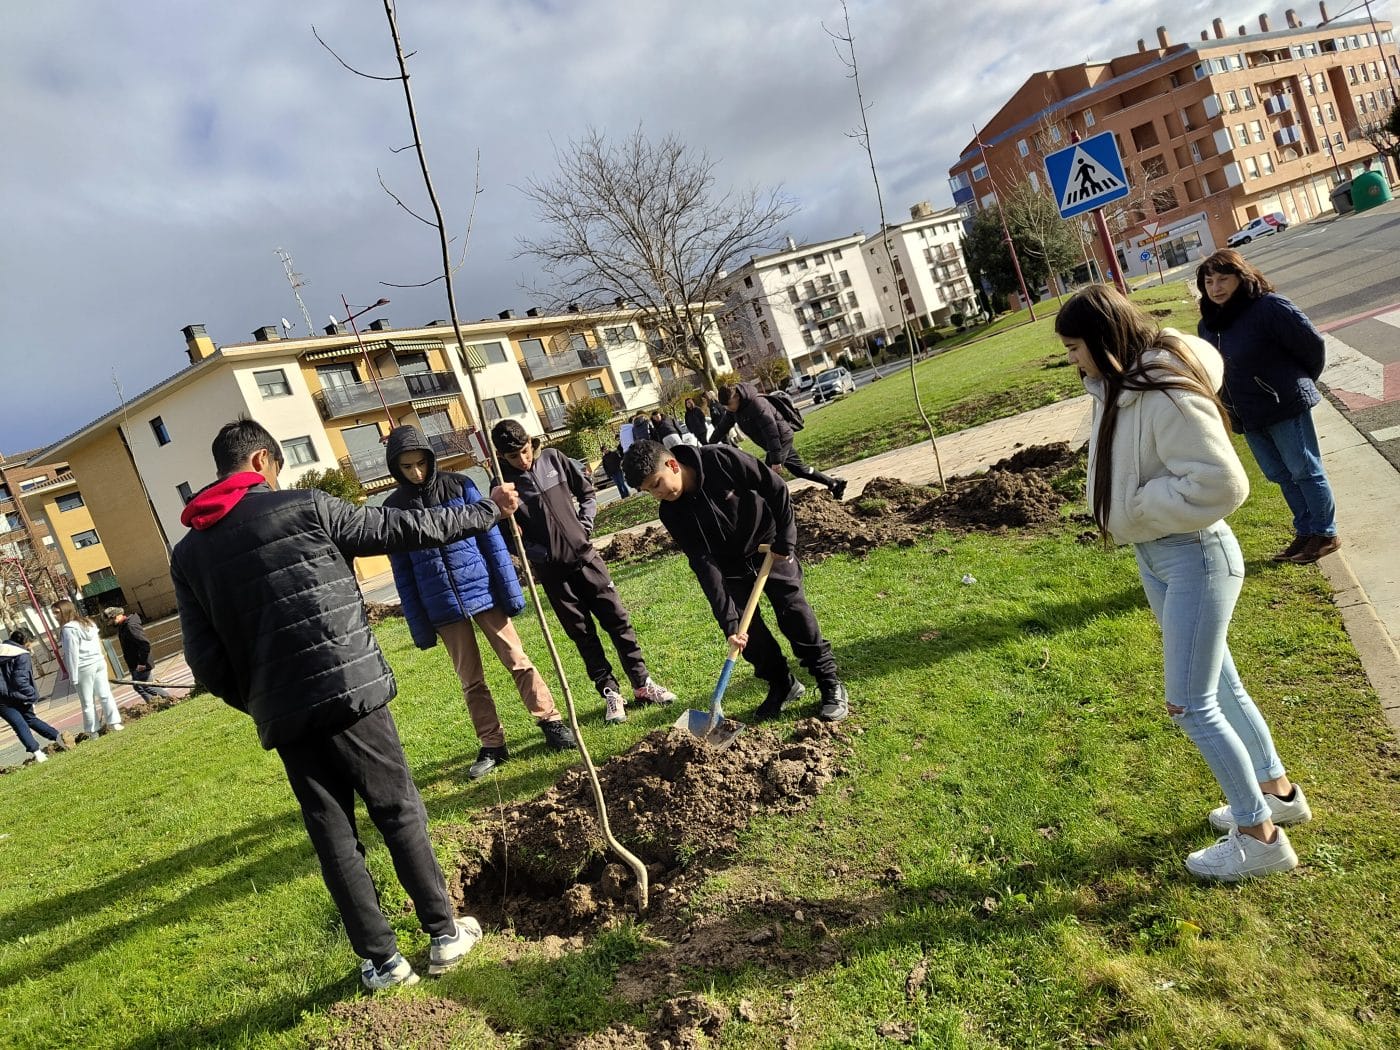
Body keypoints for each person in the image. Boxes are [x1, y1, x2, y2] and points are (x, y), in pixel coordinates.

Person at [171, 418, 518, 991]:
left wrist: (261, 699)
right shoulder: (307, 507)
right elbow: (408, 528)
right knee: (397, 809)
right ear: (262, 462)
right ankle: (443, 934)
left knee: (334, 836)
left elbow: (204, 662)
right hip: (353, 691)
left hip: (285, 713)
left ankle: (383, 962)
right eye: (276, 468)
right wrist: (485, 511)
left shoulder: (189, 554)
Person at [1056, 285, 1310, 882]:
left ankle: (1259, 836)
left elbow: (1223, 484)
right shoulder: (1119, 386)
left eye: (1073, 348)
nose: (1072, 360)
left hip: (1194, 554)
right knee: (1223, 688)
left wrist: (1137, 506)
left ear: (1101, 340)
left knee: (1189, 705)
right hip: (1161, 557)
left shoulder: (1161, 390)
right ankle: (1277, 795)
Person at [383, 426, 576, 781]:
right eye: (407, 467)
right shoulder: (393, 509)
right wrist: (419, 623)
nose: (416, 473)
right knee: (470, 680)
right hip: (440, 604)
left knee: (518, 660)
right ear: (396, 468)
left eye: (420, 463)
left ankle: (551, 722)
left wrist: (510, 591)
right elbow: (403, 572)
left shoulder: (460, 486)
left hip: (484, 591)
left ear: (430, 457)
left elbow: (491, 541)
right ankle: (492, 744)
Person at [621, 439, 850, 723]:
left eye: (656, 484)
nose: (657, 494)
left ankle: (829, 683)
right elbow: (703, 564)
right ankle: (782, 684)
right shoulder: (671, 512)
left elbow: (774, 487)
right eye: (648, 491)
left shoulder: (720, 460)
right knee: (747, 635)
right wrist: (728, 622)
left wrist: (785, 539)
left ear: (672, 465)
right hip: (730, 567)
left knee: (793, 613)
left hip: (770, 548)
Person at [490, 420, 677, 725]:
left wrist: (585, 525)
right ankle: (610, 693)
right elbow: (507, 534)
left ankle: (642, 684)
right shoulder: (503, 487)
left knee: (618, 621)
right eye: (513, 457)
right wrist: (541, 554)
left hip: (588, 560)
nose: (522, 460)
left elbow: (587, 492)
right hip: (554, 575)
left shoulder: (554, 459)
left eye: (524, 451)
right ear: (501, 458)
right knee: (583, 635)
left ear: (531, 443)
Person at [1196, 249, 1339, 564]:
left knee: (1304, 469)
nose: (1216, 287)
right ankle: (1305, 532)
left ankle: (1325, 533)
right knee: (1280, 474)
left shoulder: (1269, 307)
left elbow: (1312, 347)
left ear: (1240, 278)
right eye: (1209, 282)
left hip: (1284, 405)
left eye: (1223, 279)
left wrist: (1293, 385)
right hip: (1246, 414)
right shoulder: (1208, 325)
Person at [714, 382, 846, 499]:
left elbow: (771, 432)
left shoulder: (757, 404)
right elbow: (722, 428)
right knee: (800, 470)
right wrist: (706, 446)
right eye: (725, 406)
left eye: (729, 405)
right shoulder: (734, 410)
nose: (727, 409)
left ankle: (781, 505)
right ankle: (834, 484)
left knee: (767, 475)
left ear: (737, 396)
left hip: (780, 438)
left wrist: (776, 460)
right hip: (773, 443)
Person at [54, 599, 122, 735]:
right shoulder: (88, 623)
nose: (55, 616)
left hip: (83, 666)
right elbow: (98, 643)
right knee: (105, 694)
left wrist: (73, 676)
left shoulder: (68, 630)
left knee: (87, 702)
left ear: (65, 611)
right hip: (98, 662)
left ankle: (93, 731)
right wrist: (101, 657)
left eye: (57, 612)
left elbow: (71, 653)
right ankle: (115, 723)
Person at [1, 635, 73, 762]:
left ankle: (38, 752)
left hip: (2, 699)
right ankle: (58, 738)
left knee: (19, 724)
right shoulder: (21, 654)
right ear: (24, 641)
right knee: (30, 720)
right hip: (19, 695)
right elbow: (20, 680)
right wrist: (32, 696)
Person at [103, 606, 172, 702]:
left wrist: (142, 663)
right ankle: (153, 704)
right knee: (138, 686)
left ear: (118, 615)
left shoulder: (130, 626)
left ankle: (170, 699)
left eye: (111, 620)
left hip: (140, 663)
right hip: (135, 664)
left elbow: (145, 644)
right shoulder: (123, 627)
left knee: (148, 686)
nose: (110, 623)